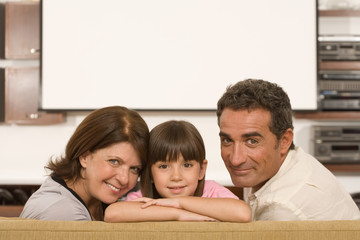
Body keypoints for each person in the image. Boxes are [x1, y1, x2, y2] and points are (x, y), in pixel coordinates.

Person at [216, 79, 360, 221]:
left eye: (252, 141)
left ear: (284, 141)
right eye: (227, 140)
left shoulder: (281, 209)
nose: (236, 160)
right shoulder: (270, 167)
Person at [104, 120, 251, 222]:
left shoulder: (211, 191)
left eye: (187, 165)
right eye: (164, 166)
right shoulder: (144, 198)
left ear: (201, 170)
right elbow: (112, 214)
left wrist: (178, 202)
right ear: (150, 173)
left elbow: (243, 213)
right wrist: (178, 214)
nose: (176, 176)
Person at [20, 106, 149, 221]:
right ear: (84, 156)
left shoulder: (97, 200)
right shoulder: (63, 212)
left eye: (134, 168)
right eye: (114, 161)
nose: (124, 179)